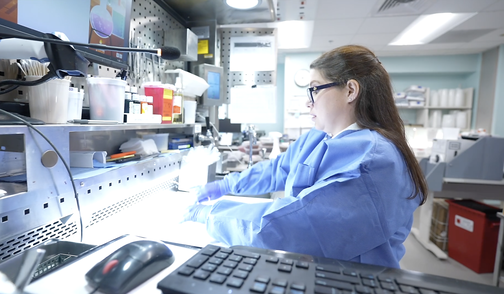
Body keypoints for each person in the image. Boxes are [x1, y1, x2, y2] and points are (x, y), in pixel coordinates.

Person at [183, 44, 428, 269]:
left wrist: (207, 215)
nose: (308, 103)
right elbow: (279, 169)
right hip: (312, 269)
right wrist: (222, 186)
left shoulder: (373, 161)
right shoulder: (321, 137)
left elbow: (287, 228)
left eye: (314, 89)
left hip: (351, 281)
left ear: (351, 90)